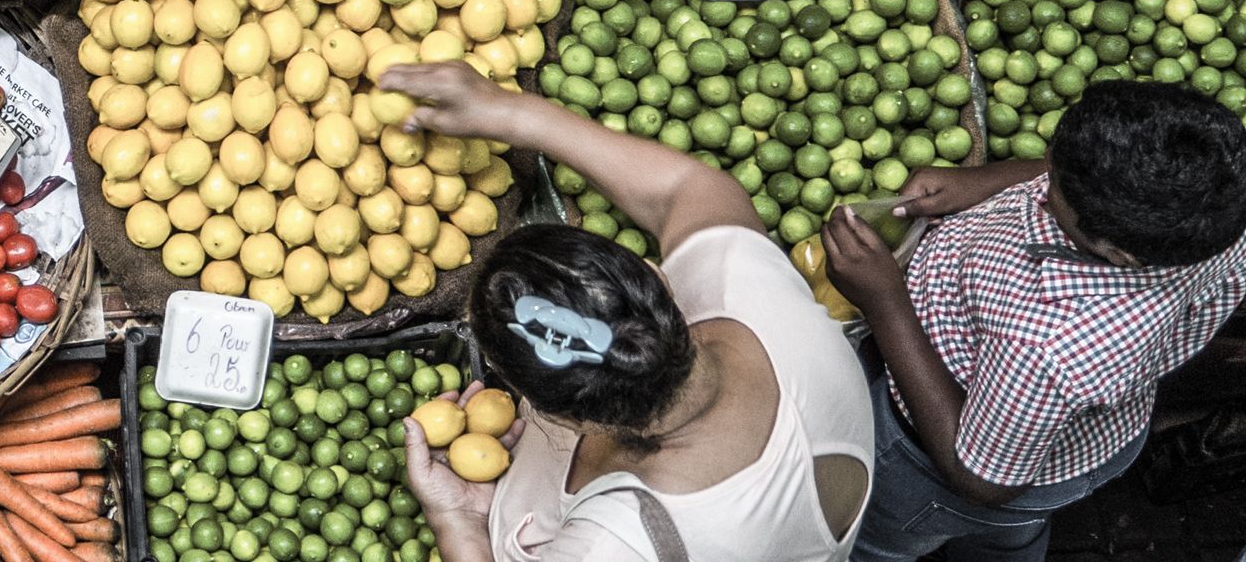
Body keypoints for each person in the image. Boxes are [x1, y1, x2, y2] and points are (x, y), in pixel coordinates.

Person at [382, 62, 874, 562]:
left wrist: (458, 521)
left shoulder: (618, 544)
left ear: (558, 418)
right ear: (656, 277)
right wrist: (508, 112)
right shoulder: (747, 290)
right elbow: (685, 190)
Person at [823, 80, 1246, 562]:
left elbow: (980, 478)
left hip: (935, 457)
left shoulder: (1053, 347)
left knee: (886, 529)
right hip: (1063, 431)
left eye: (1054, 184)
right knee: (1006, 531)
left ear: (1118, 253)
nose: (1042, 176)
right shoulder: (1215, 207)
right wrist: (983, 182)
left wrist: (886, 303)